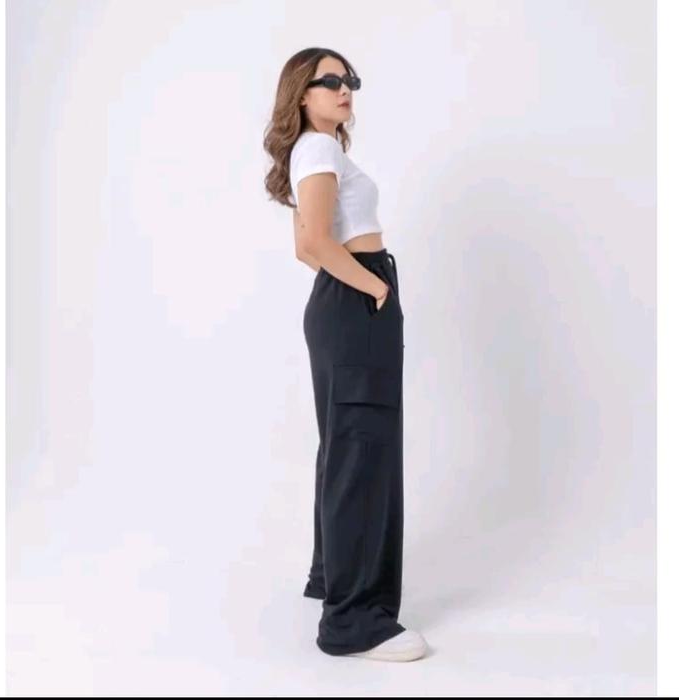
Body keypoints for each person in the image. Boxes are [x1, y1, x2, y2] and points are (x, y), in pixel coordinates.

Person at [264, 48, 428, 662]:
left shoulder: (321, 149)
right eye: (329, 80)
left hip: (343, 303)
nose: (344, 88)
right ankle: (354, 622)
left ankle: (330, 578)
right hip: (355, 297)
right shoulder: (318, 148)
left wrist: (363, 287)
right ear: (301, 93)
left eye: (349, 79)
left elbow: (308, 243)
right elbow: (312, 242)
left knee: (345, 444)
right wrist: (375, 287)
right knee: (361, 450)